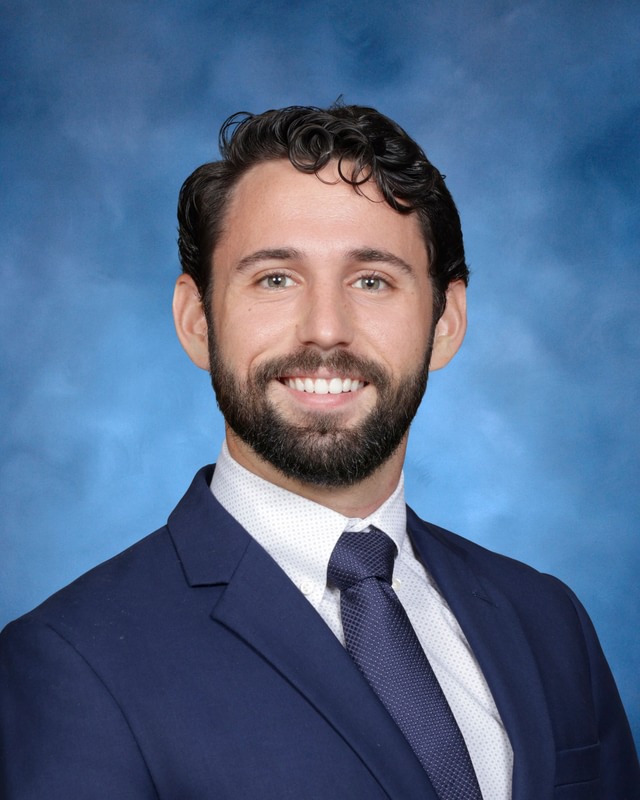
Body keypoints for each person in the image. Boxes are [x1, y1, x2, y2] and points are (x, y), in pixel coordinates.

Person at [0, 104, 638, 800]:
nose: (326, 329)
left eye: (372, 280)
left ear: (446, 322)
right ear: (197, 322)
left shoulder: (548, 620)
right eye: (276, 278)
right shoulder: (69, 662)